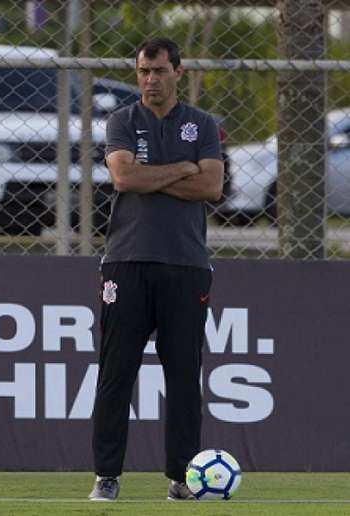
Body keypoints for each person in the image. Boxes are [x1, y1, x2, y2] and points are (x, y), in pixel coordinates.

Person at [88, 37, 224, 502]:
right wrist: (181, 169)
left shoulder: (202, 125)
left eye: (159, 71)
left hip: (186, 264)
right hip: (126, 262)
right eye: (144, 72)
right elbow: (125, 178)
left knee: (184, 375)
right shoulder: (122, 120)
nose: (150, 80)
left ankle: (182, 477)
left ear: (178, 73)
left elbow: (211, 186)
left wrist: (158, 175)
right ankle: (107, 476)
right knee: (116, 372)